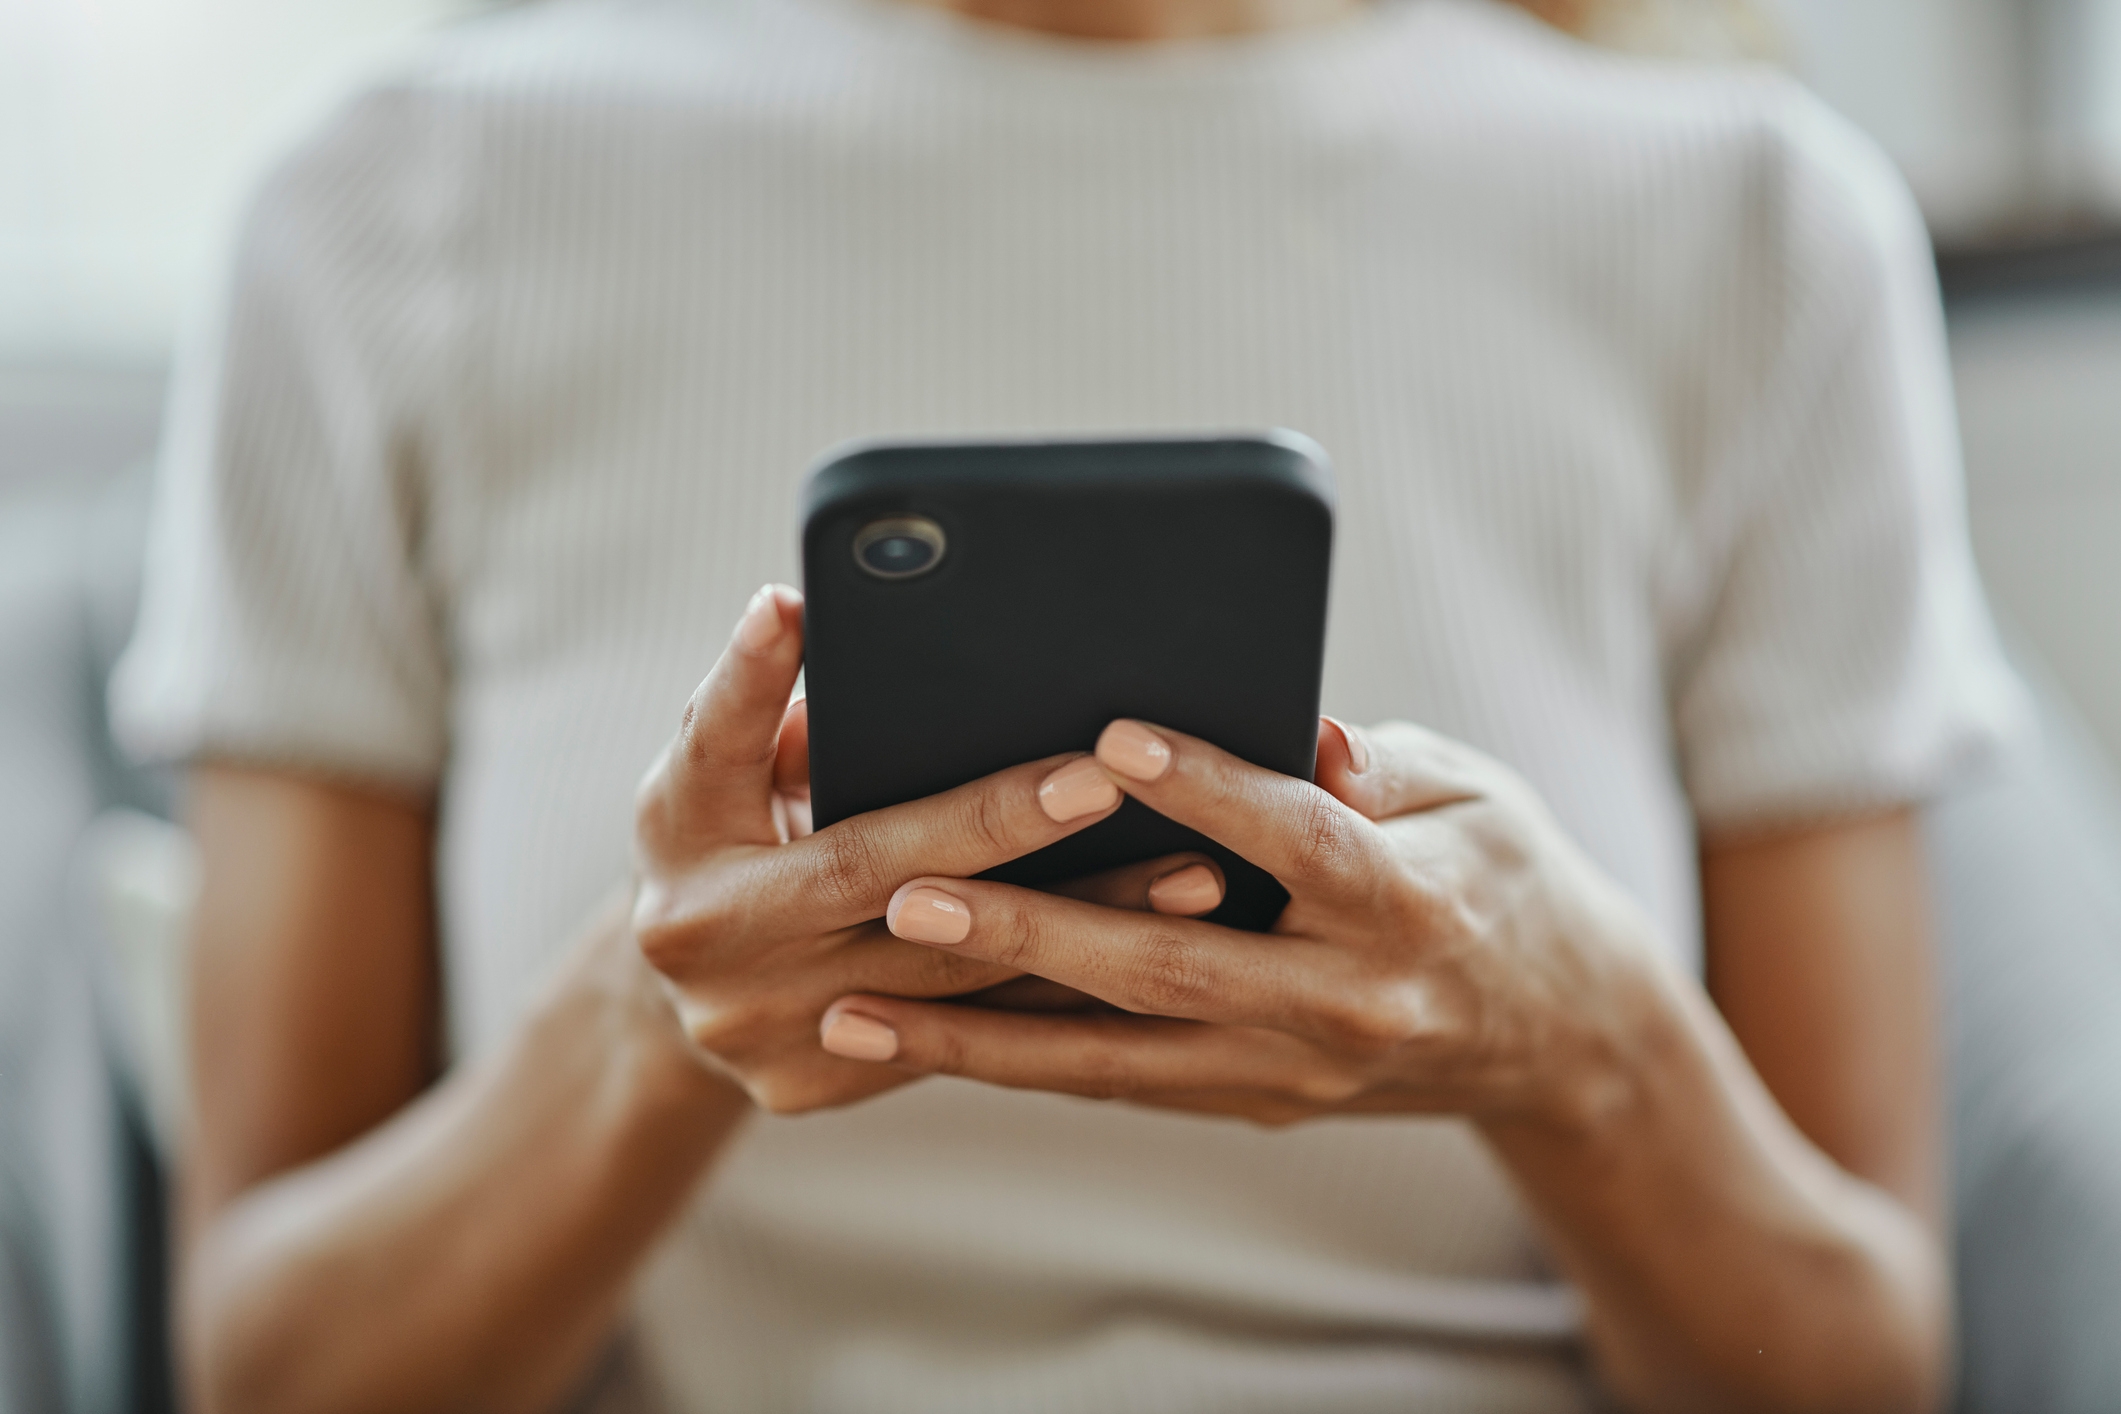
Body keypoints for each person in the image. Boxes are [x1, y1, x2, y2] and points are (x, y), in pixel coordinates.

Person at [112, 0, 2023, 1407]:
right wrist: (653, 1013)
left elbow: (1854, 1367)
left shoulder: (1752, 229)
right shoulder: (394, 212)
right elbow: (276, 1366)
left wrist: (1581, 1048)